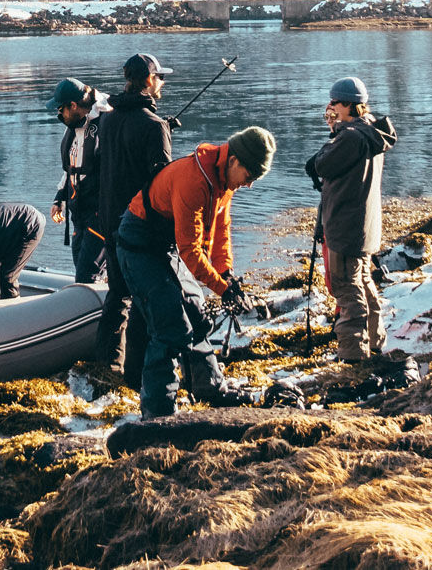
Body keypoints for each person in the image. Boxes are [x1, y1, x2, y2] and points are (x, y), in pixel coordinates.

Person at [113, 126, 275, 419]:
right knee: (170, 327)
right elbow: (190, 250)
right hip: (137, 244)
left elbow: (220, 232)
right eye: (250, 177)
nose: (249, 185)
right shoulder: (194, 179)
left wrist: (225, 274)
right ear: (235, 161)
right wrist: (222, 289)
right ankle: (157, 411)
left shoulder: (225, 181)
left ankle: (210, 388)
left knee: (196, 314)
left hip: (164, 244)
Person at [91, 52, 176, 383]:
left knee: (117, 294)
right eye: (161, 78)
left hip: (110, 220)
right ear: (150, 80)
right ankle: (137, 372)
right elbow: (163, 183)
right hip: (140, 226)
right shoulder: (154, 127)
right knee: (144, 299)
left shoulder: (108, 119)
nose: (162, 83)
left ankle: (107, 363)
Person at [304, 76, 399, 362]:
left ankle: (353, 354)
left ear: (347, 104)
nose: (330, 106)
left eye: (334, 101)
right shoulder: (371, 132)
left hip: (346, 225)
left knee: (347, 288)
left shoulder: (350, 137)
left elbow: (322, 164)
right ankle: (375, 342)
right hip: (364, 225)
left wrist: (333, 133)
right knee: (364, 282)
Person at [47, 77, 109, 283]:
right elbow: (72, 168)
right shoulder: (74, 124)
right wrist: (60, 198)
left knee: (86, 277)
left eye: (60, 109)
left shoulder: (106, 121)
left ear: (73, 105)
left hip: (99, 214)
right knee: (81, 272)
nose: (59, 114)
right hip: (78, 214)